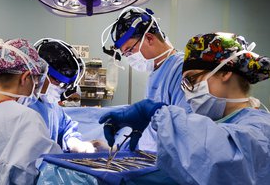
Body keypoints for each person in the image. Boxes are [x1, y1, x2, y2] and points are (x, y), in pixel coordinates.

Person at [99, 32, 270, 184]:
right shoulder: (213, 124)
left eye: (192, 80)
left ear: (225, 72)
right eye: (184, 84)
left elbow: (221, 159)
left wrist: (156, 112)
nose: (188, 92)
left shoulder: (260, 128)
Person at [0, 38, 62, 184]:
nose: (35, 87)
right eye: (35, 81)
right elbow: (54, 173)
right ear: (25, 78)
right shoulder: (26, 120)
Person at [101, 6, 191, 151]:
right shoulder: (155, 72)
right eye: (125, 55)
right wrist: (118, 149)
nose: (129, 58)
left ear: (149, 38)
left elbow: (185, 129)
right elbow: (151, 131)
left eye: (130, 50)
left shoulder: (181, 69)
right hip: (152, 159)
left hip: (170, 164)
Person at [30, 38, 104, 153]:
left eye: (65, 85)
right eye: (57, 81)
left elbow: (66, 128)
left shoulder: (52, 106)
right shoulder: (22, 103)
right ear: (40, 73)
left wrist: (74, 142)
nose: (60, 88)